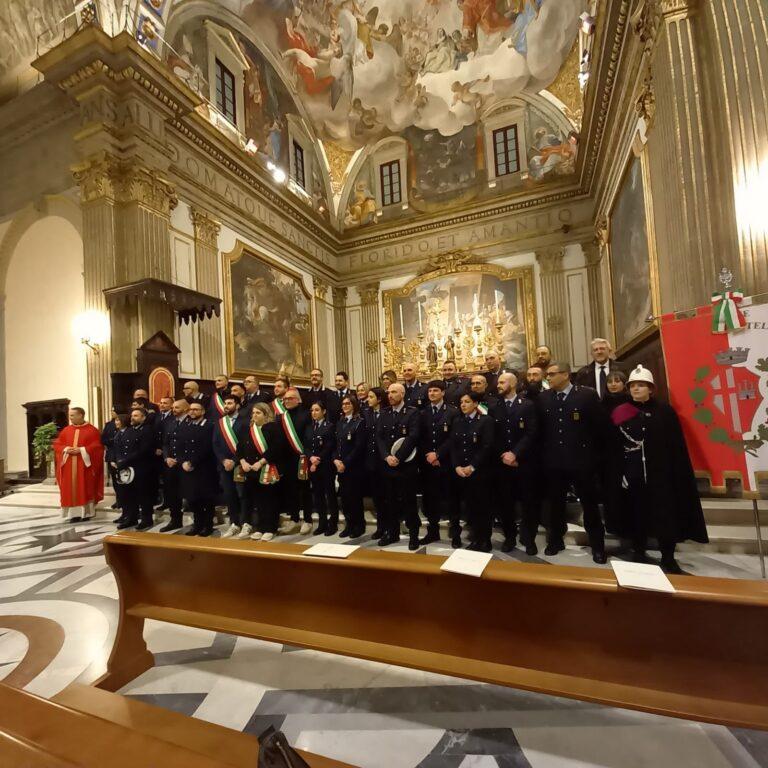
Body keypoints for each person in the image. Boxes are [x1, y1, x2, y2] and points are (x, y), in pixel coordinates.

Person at [609, 365, 708, 573]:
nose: (636, 389)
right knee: (636, 513)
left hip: (661, 473)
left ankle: (668, 555)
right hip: (633, 472)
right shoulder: (620, 412)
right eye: (633, 386)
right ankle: (638, 550)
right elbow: (614, 445)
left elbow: (675, 445)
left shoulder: (665, 411)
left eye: (641, 385)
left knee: (665, 515)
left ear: (651, 388)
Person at [538, 362, 610, 563]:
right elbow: (540, 431)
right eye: (547, 375)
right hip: (554, 463)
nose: (548, 378)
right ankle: (555, 540)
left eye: (552, 374)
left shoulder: (586, 395)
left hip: (582, 461)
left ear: (565, 374)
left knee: (590, 505)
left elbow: (600, 429)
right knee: (555, 505)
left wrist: (596, 459)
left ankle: (597, 546)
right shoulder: (544, 398)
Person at [491, 372, 539, 554]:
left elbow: (532, 432)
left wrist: (515, 453)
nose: (498, 385)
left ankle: (529, 538)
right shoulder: (494, 407)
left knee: (529, 503)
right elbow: (493, 435)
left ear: (512, 384)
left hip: (524, 462)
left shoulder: (527, 405)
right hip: (503, 463)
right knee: (505, 504)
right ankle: (509, 537)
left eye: (502, 382)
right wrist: (504, 455)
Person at [375, 382, 421, 549]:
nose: (390, 395)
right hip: (388, 465)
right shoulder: (384, 413)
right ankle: (392, 533)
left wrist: (398, 457)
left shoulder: (412, 413)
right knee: (390, 501)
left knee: (409, 501)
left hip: (406, 464)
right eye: (389, 392)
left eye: (394, 392)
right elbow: (379, 437)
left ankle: (414, 534)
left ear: (402, 394)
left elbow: (413, 436)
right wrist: (387, 456)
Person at [450, 392, 494, 552]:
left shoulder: (485, 421)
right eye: (461, 402)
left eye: (467, 402)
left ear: (475, 404)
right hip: (462, 472)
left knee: (483, 507)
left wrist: (472, 466)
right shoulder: (457, 421)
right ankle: (476, 539)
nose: (463, 405)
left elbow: (487, 446)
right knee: (470, 508)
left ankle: (485, 540)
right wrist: (456, 466)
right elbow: (453, 446)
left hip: (480, 472)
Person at [419, 380, 460, 546]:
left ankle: (455, 533)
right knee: (430, 500)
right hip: (428, 464)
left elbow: (453, 437)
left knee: (452, 499)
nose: (432, 394)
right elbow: (420, 437)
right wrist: (429, 455)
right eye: (430, 391)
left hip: (447, 462)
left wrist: (438, 454)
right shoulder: (423, 413)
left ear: (443, 393)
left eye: (436, 391)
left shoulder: (452, 412)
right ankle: (433, 531)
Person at [237, 401, 285, 542]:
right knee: (257, 500)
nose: (254, 415)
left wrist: (261, 462)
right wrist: (243, 462)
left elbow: (276, 449)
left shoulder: (272, 427)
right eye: (253, 413)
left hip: (267, 468)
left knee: (269, 500)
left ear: (266, 414)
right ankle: (260, 527)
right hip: (251, 470)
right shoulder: (249, 428)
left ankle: (270, 528)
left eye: (258, 413)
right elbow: (239, 447)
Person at [53, 407, 105, 523]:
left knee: (85, 487)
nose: (70, 418)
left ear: (80, 415)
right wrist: (66, 449)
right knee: (70, 490)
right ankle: (73, 515)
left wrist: (82, 450)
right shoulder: (66, 430)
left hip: (84, 466)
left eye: (72, 415)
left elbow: (97, 447)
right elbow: (57, 444)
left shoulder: (92, 430)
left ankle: (85, 513)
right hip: (69, 465)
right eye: (70, 415)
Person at [177, 401, 217, 536]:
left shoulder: (210, 426)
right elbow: (180, 446)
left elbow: (208, 447)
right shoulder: (186, 426)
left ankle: (208, 525)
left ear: (203, 411)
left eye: (196, 409)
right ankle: (197, 524)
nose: (192, 412)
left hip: (204, 467)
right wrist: (182, 461)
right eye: (190, 409)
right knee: (193, 499)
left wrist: (192, 462)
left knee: (206, 498)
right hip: (187, 468)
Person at [112, 407, 157, 530]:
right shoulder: (130, 430)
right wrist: (119, 461)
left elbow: (143, 450)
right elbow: (123, 448)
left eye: (136, 416)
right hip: (129, 468)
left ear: (144, 417)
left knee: (144, 495)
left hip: (143, 468)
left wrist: (124, 462)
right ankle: (132, 518)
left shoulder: (148, 430)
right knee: (130, 494)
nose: (132, 418)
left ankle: (147, 519)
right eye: (132, 416)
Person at [277, 387, 313, 534]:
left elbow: (309, 436)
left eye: (290, 398)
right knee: (290, 490)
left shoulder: (306, 415)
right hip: (286, 459)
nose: (287, 401)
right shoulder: (281, 417)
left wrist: (305, 454)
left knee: (305, 490)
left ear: (298, 400)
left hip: (302, 457)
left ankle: (308, 520)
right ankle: (294, 519)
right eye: (285, 399)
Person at [214, 394, 250, 538]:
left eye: (229, 403)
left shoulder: (245, 421)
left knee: (243, 495)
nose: (226, 406)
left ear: (237, 405)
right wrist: (224, 461)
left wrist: (234, 461)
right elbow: (215, 444)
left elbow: (247, 444)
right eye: (225, 403)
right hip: (224, 466)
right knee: (229, 495)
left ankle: (246, 523)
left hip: (240, 464)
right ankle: (234, 523)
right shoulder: (220, 422)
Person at [334, 395, 367, 538]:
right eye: (343, 404)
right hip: (340, 466)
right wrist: (335, 460)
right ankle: (349, 524)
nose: (345, 406)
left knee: (355, 498)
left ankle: (359, 525)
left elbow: (359, 447)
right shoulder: (340, 422)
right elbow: (337, 444)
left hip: (354, 467)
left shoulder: (359, 422)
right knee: (345, 498)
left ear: (354, 405)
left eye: (348, 403)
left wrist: (345, 463)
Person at [306, 401, 339, 535]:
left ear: (324, 412)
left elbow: (329, 446)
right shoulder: (309, 427)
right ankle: (322, 522)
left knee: (330, 495)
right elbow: (306, 446)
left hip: (325, 466)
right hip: (313, 466)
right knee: (318, 495)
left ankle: (333, 523)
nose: (314, 413)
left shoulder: (329, 426)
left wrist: (317, 460)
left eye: (317, 410)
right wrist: (310, 457)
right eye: (312, 410)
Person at [158, 399, 189, 532]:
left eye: (177, 407)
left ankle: (200, 522)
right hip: (170, 465)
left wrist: (181, 460)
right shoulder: (169, 423)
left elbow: (193, 445)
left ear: (185, 409)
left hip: (186, 464)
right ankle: (175, 520)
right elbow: (165, 443)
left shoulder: (191, 423)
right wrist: (166, 457)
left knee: (190, 493)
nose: (174, 409)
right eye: (173, 407)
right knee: (172, 494)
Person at [364, 387, 387, 539]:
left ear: (379, 399)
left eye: (371, 397)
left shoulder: (387, 413)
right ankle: (380, 527)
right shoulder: (366, 413)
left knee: (388, 496)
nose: (368, 400)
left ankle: (390, 526)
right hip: (371, 459)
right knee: (377, 497)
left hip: (384, 458)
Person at [108, 413, 129, 515]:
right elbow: (114, 449)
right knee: (121, 489)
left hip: (126, 464)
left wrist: (122, 461)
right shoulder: (118, 433)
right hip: (117, 463)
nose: (116, 422)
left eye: (118, 420)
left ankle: (130, 514)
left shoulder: (129, 432)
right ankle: (124, 513)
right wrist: (112, 460)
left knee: (127, 491)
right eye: (115, 420)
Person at [101, 407, 121, 508]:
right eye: (111, 411)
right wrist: (112, 441)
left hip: (122, 455)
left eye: (113, 410)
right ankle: (118, 499)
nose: (112, 412)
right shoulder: (108, 424)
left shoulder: (127, 422)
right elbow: (103, 439)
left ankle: (125, 500)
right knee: (114, 479)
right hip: (111, 454)